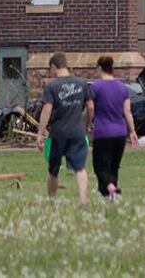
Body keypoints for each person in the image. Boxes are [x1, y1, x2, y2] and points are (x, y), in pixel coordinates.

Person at [36, 52, 94, 205]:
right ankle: (83, 201)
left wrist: (40, 134)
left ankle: (52, 201)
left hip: (58, 133)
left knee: (53, 169)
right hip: (77, 132)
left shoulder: (52, 86)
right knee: (80, 168)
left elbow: (47, 110)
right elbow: (91, 106)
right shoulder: (82, 83)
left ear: (54, 66)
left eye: (51, 70)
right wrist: (87, 124)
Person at [90, 56, 138, 202]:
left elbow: (91, 107)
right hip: (120, 132)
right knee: (114, 166)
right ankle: (112, 197)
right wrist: (132, 131)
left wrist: (87, 123)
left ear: (99, 68)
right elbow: (127, 112)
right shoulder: (122, 88)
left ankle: (110, 187)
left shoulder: (95, 87)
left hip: (102, 132)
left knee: (100, 166)